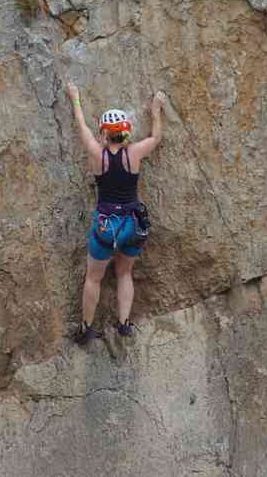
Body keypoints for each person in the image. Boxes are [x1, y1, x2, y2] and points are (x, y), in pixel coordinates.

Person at [65, 82, 165, 345]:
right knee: (124, 273)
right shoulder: (135, 153)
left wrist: (75, 97)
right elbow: (155, 137)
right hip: (132, 225)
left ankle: (87, 328)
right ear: (126, 132)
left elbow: (81, 126)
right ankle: (123, 324)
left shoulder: (98, 155)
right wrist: (156, 108)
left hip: (106, 227)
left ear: (104, 133)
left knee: (94, 277)